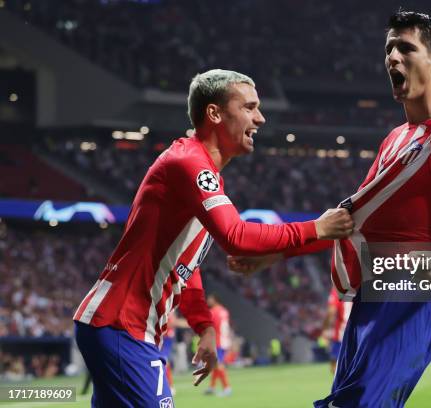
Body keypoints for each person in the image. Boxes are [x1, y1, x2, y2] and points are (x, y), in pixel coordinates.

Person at [228, 11, 431, 407]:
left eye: (406, 48)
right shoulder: (396, 138)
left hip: (413, 293)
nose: (393, 58)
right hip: (371, 295)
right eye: (389, 49)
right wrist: (278, 253)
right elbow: (351, 219)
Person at [73, 69, 354, 407]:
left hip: (118, 327)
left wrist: (203, 325)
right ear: (215, 113)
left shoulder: (198, 173)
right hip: (120, 325)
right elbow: (236, 236)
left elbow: (183, 268)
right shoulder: (189, 162)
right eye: (249, 107)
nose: (260, 118)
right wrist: (316, 228)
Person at [204, 294, 232, 397]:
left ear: (215, 300)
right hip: (225, 340)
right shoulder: (224, 311)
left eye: (209, 299)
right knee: (215, 365)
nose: (208, 300)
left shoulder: (213, 312)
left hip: (217, 341)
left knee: (218, 365)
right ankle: (212, 387)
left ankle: (227, 388)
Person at [321, 288, 352, 373]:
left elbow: (331, 312)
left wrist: (325, 329)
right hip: (360, 333)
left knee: (335, 367)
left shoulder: (338, 289)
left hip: (342, 335)